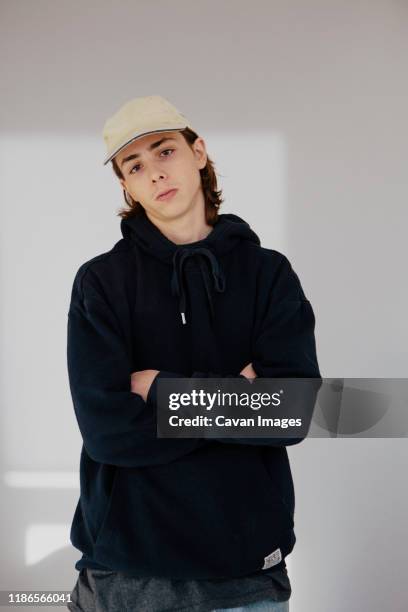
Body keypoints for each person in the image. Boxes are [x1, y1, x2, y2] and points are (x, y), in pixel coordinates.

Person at [66, 95, 321, 612]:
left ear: (198, 152)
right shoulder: (102, 282)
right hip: (126, 571)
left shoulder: (268, 275)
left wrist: (161, 390)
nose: (155, 173)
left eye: (164, 152)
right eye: (135, 166)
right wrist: (241, 401)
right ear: (126, 186)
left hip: (244, 570)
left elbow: (291, 413)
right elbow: (107, 432)